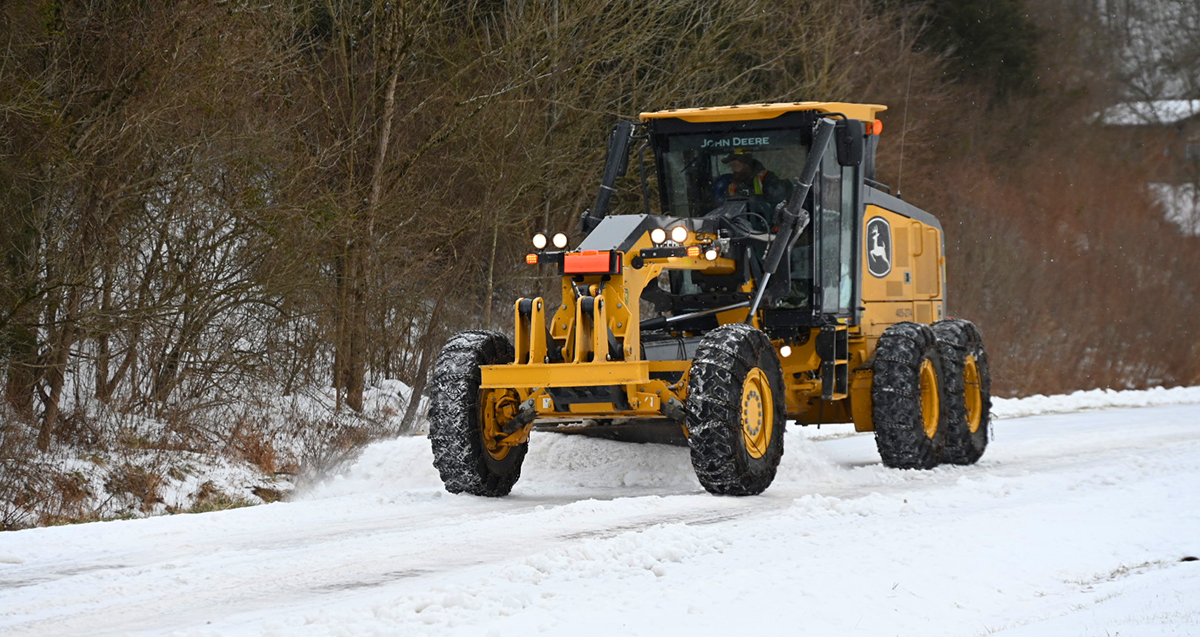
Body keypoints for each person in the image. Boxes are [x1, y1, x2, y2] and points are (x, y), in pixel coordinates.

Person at [712, 149, 792, 224]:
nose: (733, 170)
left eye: (735, 165)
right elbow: (721, 207)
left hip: (763, 226)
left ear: (746, 165)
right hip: (735, 225)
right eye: (731, 166)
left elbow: (776, 205)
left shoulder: (767, 179)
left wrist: (753, 201)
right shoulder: (730, 182)